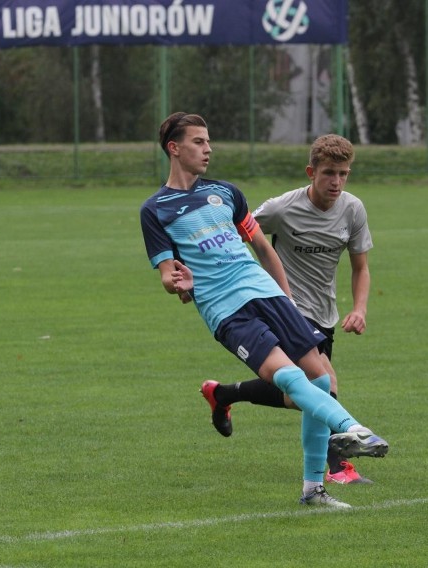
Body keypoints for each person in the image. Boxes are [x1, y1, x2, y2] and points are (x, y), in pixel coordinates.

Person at [140, 112, 388, 508]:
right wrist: (177, 283)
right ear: (174, 148)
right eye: (199, 142)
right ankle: (352, 428)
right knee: (288, 376)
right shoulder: (156, 209)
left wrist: (287, 299)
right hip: (226, 309)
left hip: (269, 294)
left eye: (208, 141)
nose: (208, 149)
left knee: (321, 380)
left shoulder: (226, 193)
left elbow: (263, 249)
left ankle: (313, 490)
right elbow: (168, 274)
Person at [199, 134, 375, 485]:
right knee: (325, 383)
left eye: (343, 174)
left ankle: (223, 394)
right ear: (311, 172)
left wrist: (359, 309)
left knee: (301, 395)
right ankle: (337, 467)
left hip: (325, 313)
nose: (336, 182)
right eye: (328, 173)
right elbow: (235, 231)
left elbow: (360, 267)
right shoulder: (281, 209)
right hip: (283, 306)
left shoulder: (353, 209)